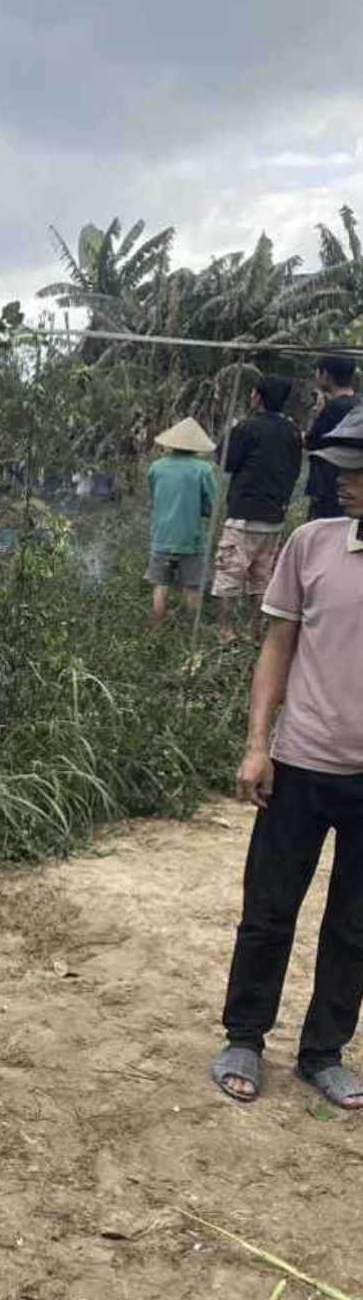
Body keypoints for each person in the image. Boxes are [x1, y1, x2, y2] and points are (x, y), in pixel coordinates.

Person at [212, 399, 363, 1109]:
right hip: (300, 762)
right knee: (269, 910)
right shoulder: (312, 544)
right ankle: (244, 1033)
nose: (343, 482)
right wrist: (256, 746)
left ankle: (323, 1053)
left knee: (354, 923)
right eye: (339, 469)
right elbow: (276, 648)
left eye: (357, 470)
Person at [212, 375, 302, 645]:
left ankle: (226, 631)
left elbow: (226, 461)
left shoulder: (248, 427)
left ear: (258, 397)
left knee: (229, 573)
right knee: (262, 577)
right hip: (274, 516)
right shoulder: (293, 432)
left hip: (243, 515)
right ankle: (254, 630)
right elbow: (295, 471)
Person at [144, 417, 216, 630]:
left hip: (161, 537)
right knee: (191, 588)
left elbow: (154, 499)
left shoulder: (156, 467)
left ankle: (155, 631)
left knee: (160, 586)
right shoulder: (203, 469)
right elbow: (211, 506)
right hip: (191, 539)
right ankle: (189, 631)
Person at [304, 355, 358, 522]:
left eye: (317, 373)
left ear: (325, 374)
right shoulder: (358, 404)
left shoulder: (333, 408)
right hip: (353, 485)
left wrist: (317, 413)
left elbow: (311, 442)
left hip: (327, 488)